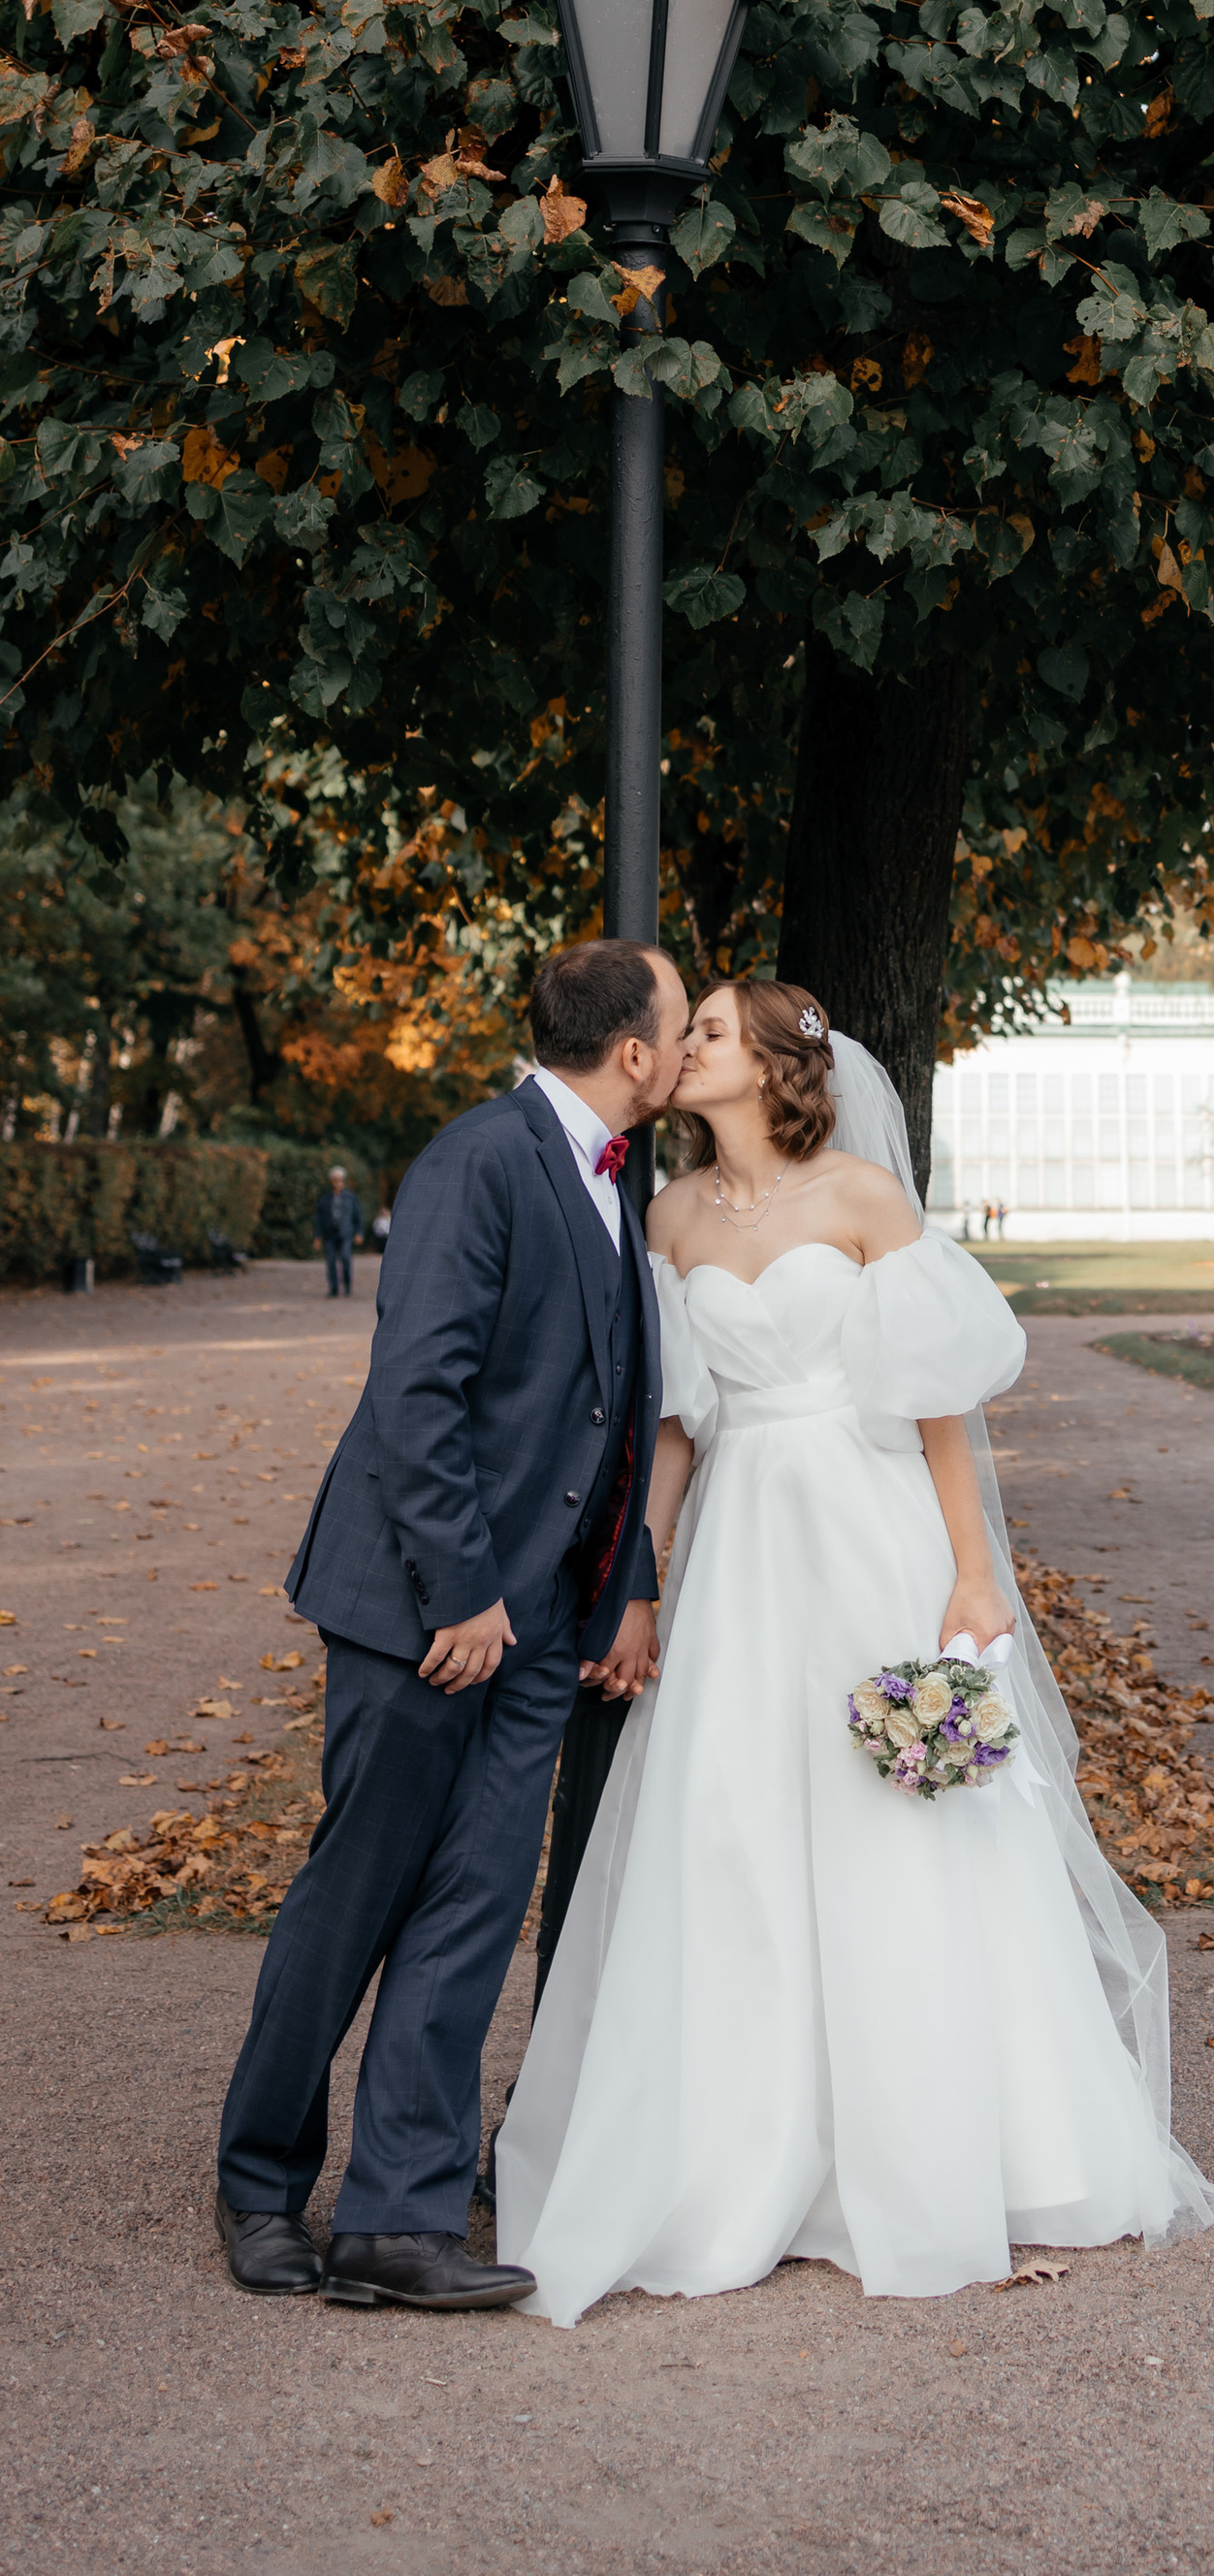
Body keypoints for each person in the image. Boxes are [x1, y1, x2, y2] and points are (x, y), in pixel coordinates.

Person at [494, 980, 1214, 2320]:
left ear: (778, 1062)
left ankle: (945, 2145)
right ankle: (742, 2149)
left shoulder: (865, 1200)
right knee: (736, 1820)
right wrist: (641, 1582)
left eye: (713, 1031)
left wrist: (973, 1576)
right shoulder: (670, 1216)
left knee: (896, 1818)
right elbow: (677, 1425)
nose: (687, 1049)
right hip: (743, 1551)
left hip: (871, 1533)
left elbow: (936, 1408)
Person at [210, 939, 687, 2313]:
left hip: (541, 1623)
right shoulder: (479, 1158)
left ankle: (399, 2220)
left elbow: (607, 1413)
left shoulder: (614, 1180)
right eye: (677, 1024)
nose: (681, 1046)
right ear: (635, 1052)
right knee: (356, 1894)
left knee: (475, 1905)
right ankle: (257, 2183)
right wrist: (464, 1592)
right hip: (424, 1611)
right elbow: (417, 1388)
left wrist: (618, 1583)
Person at [313, 1166, 363, 1300]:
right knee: (331, 1261)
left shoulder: (350, 1197)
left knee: (346, 1258)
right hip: (330, 1234)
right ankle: (333, 1288)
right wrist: (317, 1236)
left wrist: (359, 1232)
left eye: (340, 1180)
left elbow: (358, 1215)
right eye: (335, 1180)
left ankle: (347, 1285)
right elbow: (319, 1218)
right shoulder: (325, 1198)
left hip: (346, 1233)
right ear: (331, 1181)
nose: (338, 1183)